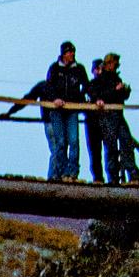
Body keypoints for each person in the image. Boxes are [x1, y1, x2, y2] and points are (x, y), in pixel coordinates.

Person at [19, 41, 89, 182]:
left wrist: (82, 99)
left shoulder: (79, 68)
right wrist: (55, 99)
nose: (72, 54)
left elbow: (87, 86)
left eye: (73, 52)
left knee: (74, 141)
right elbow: (48, 87)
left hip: (71, 109)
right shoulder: (55, 68)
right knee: (61, 142)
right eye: (69, 52)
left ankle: (72, 173)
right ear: (63, 54)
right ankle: (61, 173)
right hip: (56, 110)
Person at [86, 53, 138, 184]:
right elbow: (99, 96)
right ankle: (113, 178)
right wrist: (116, 90)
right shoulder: (98, 81)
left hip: (118, 115)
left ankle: (132, 173)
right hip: (107, 116)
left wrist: (125, 90)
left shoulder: (116, 78)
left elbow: (122, 97)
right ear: (108, 64)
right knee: (111, 147)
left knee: (127, 142)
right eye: (114, 64)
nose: (116, 67)